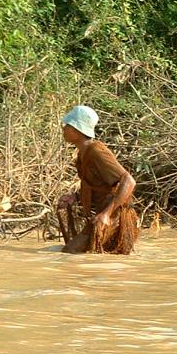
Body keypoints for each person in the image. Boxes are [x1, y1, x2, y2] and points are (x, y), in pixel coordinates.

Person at [56, 105, 139, 254]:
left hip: (115, 214)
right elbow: (97, 185)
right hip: (103, 212)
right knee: (87, 254)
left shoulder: (96, 151)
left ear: (78, 130)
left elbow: (129, 180)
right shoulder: (82, 154)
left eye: (68, 125)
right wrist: (75, 197)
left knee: (71, 250)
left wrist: (107, 213)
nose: (64, 128)